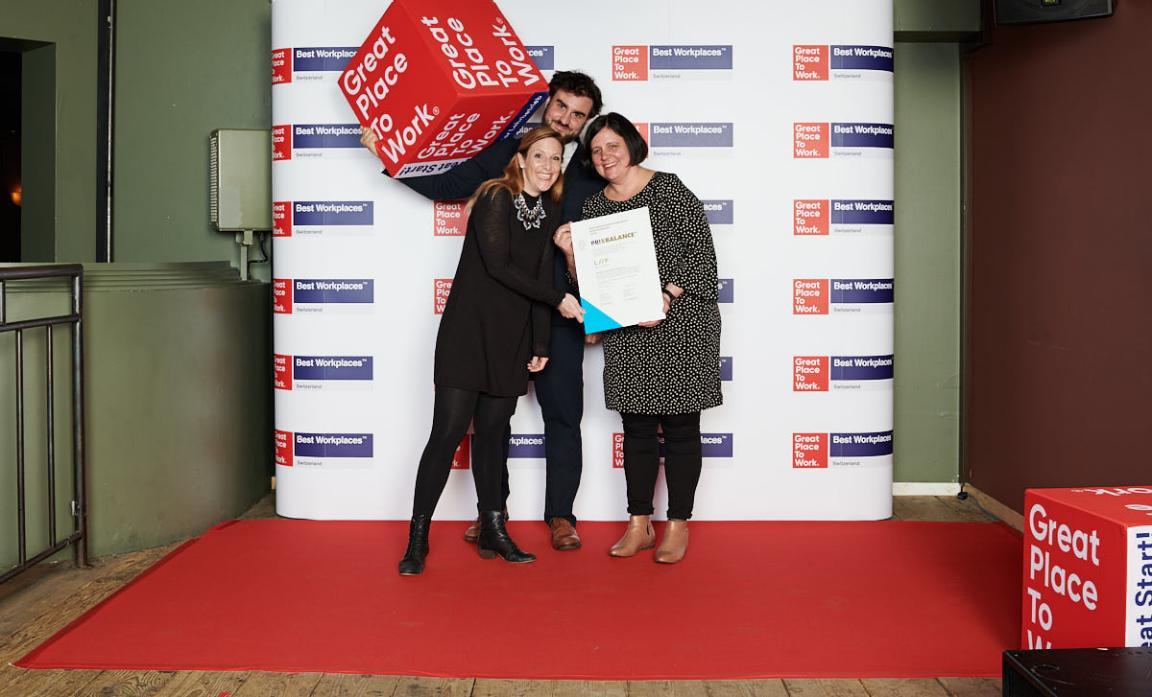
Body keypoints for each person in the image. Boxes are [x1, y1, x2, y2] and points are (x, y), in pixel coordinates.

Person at [362, 71, 604, 552]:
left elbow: (610, 236)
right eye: (561, 106)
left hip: (559, 313)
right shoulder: (511, 156)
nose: (566, 119)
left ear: (587, 122)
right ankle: (493, 516)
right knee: (491, 424)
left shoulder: (594, 166)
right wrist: (387, 155)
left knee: (562, 413)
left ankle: (561, 516)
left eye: (578, 114)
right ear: (546, 104)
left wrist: (601, 312)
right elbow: (453, 183)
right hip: (502, 312)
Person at [397, 127, 585, 575]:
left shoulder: (549, 209)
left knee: (493, 436)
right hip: (469, 334)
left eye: (556, 159)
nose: (547, 166)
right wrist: (558, 301)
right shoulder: (494, 196)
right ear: (521, 160)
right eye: (539, 156)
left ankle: (493, 528)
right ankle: (417, 538)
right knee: (446, 435)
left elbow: (542, 274)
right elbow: (500, 267)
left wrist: (541, 342)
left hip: (512, 338)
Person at [554, 113, 722, 564]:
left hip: (682, 324)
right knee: (637, 428)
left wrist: (663, 297)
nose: (605, 156)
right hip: (628, 331)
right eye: (596, 150)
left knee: (683, 427)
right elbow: (590, 281)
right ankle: (638, 523)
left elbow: (700, 254)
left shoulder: (669, 189)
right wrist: (572, 256)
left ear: (631, 145)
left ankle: (677, 525)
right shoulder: (594, 208)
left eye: (613, 145)